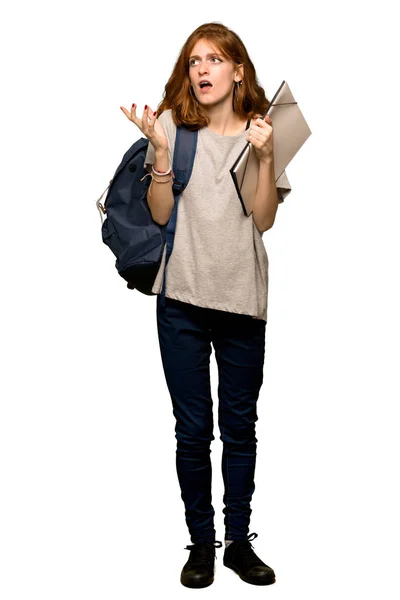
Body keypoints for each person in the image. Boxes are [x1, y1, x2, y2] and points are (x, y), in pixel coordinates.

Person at [120, 21, 291, 589]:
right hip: (182, 302)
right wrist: (161, 152)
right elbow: (163, 214)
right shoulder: (172, 125)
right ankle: (201, 546)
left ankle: (239, 544)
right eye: (195, 61)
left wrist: (266, 158)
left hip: (243, 301)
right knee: (193, 432)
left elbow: (263, 219)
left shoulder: (266, 133)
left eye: (215, 60)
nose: (202, 70)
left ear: (238, 70)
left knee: (240, 429)